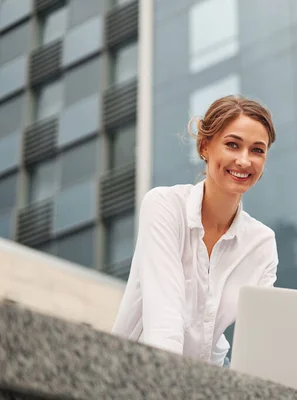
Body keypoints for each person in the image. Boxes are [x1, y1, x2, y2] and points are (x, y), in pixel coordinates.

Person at [112, 95, 278, 366]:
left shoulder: (262, 243)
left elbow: (260, 338)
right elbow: (164, 323)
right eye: (232, 145)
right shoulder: (164, 206)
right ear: (204, 146)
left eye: (257, 150)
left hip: (207, 377)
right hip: (140, 369)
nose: (244, 161)